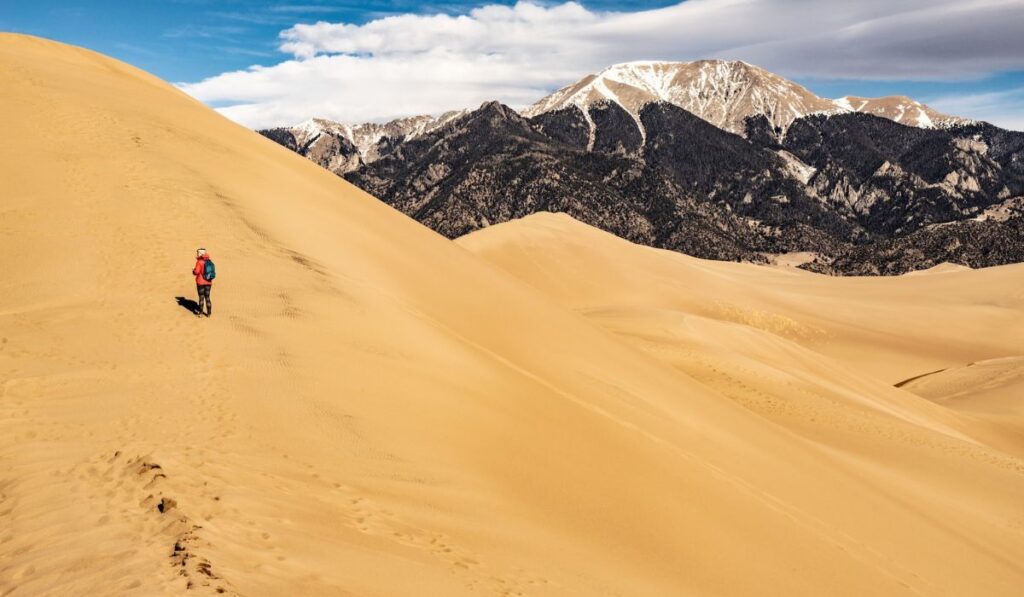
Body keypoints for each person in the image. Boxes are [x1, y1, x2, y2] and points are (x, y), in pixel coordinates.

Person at [192, 248, 214, 317]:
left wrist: (193, 270)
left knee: (201, 297)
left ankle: (201, 313)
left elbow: (196, 272)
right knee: (207, 297)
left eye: (198, 252)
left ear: (201, 254)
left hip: (200, 282)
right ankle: (209, 313)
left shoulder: (199, 262)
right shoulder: (209, 261)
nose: (197, 254)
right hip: (208, 282)